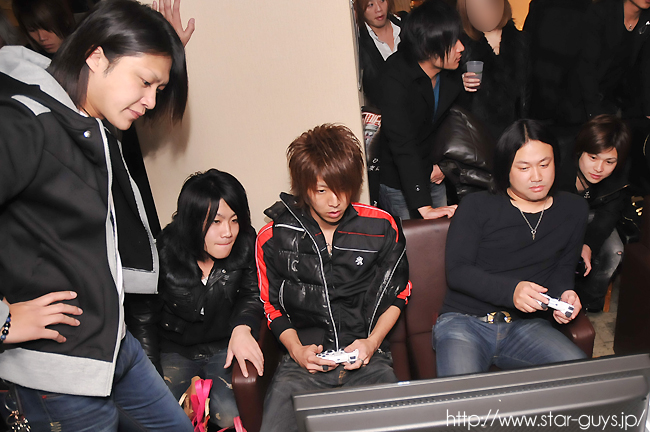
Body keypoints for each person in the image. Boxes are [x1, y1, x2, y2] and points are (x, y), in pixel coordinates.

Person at [0, 0, 196, 430]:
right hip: (58, 372)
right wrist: (4, 322)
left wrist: (162, 54)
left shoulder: (83, 117)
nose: (150, 101)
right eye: (145, 82)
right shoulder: (25, 123)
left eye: (158, 89)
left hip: (112, 345)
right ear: (96, 57)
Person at [257, 124, 411, 432]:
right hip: (302, 366)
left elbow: (399, 293)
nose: (335, 201)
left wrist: (371, 343)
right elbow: (271, 305)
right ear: (304, 187)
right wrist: (297, 350)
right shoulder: (272, 237)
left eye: (342, 187)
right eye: (322, 190)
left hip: (368, 359)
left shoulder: (381, 226)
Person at [434, 119, 588, 377]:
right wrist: (511, 291)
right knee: (462, 397)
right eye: (524, 167)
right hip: (465, 322)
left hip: (526, 326)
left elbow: (563, 268)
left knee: (583, 377)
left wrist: (565, 294)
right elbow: (457, 271)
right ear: (506, 168)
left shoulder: (574, 209)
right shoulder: (476, 206)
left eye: (544, 164)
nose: (537, 176)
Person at [127, 169, 264, 429]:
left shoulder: (246, 242)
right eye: (216, 222)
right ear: (191, 221)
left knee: (229, 415)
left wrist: (243, 327)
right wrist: (150, 377)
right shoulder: (163, 253)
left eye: (234, 220)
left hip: (224, 344)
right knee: (165, 417)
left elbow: (252, 293)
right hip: (175, 349)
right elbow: (143, 321)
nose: (228, 232)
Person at [378, 0, 461, 220]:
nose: (461, 47)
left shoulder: (451, 73)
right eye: (452, 42)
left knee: (441, 234)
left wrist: (445, 166)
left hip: (434, 173)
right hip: (401, 182)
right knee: (413, 239)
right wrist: (424, 207)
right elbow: (402, 144)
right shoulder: (394, 78)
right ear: (428, 46)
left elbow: (455, 128)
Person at [557, 115, 632, 312]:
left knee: (614, 250)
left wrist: (589, 245)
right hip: (558, 215)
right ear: (580, 150)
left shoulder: (620, 175)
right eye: (593, 157)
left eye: (609, 161)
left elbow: (608, 215)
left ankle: (587, 305)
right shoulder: (557, 161)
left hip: (595, 214)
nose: (599, 168)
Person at [565, 0, 650, 124]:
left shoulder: (646, 19)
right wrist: (595, 114)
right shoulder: (601, 12)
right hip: (581, 99)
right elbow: (586, 67)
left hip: (615, 100)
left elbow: (646, 66)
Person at [458, 0, 530, 140]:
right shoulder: (460, 44)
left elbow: (528, 91)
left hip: (515, 133)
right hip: (475, 135)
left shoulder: (521, 41)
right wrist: (460, 83)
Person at [355, 0, 403, 107]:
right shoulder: (358, 43)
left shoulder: (407, 26)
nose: (379, 9)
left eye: (382, 0)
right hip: (384, 112)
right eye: (370, 5)